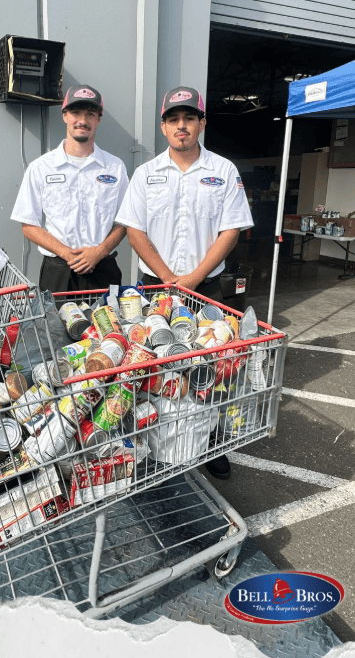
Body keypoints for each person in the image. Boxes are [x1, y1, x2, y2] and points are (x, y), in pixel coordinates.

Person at [115, 86, 253, 480]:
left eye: (189, 118)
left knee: (211, 370)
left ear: (202, 123)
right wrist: (167, 279)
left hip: (204, 289)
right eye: (174, 119)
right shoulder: (146, 174)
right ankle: (149, 440)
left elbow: (230, 231)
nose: (182, 126)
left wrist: (191, 280)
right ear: (163, 126)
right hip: (156, 287)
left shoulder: (223, 170)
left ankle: (209, 441)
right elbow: (134, 230)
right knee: (152, 365)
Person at [11, 84, 128, 293]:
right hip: (58, 271)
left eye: (90, 114)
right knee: (57, 327)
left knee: (109, 326)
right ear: (64, 115)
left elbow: (125, 221)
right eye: (75, 113)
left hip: (103, 268)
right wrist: (66, 253)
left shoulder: (115, 167)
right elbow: (28, 224)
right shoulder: (40, 168)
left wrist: (99, 251)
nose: (82, 120)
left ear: (98, 119)